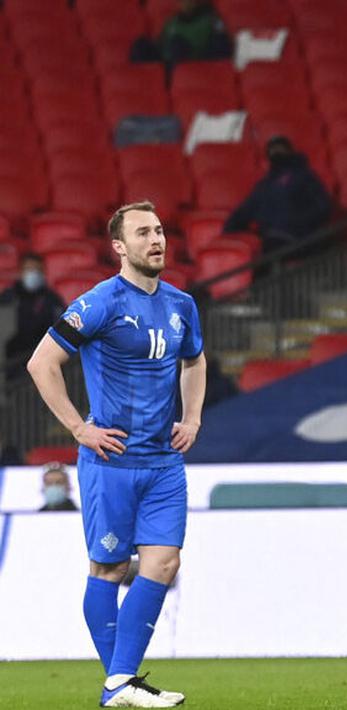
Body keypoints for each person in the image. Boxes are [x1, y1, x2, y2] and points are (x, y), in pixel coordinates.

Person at [26, 200, 207, 708]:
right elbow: (42, 363)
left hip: (164, 463)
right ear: (119, 247)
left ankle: (120, 683)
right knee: (107, 570)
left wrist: (192, 418)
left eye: (160, 230)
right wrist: (79, 428)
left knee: (164, 562)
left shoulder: (181, 305)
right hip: (112, 461)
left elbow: (195, 360)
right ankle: (121, 684)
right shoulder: (100, 302)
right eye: (143, 233)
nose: (157, 240)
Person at [222, 136, 333, 254]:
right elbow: (244, 212)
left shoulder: (305, 176)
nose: (275, 152)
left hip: (299, 238)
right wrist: (229, 231)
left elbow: (323, 206)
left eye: (279, 148)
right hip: (270, 241)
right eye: (272, 150)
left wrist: (300, 224)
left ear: (289, 151)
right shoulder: (264, 185)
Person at [1, 254, 66, 383]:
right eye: (29, 269)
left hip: (44, 365)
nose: (33, 274)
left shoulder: (52, 300)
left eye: (37, 270)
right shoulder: (7, 298)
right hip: (12, 367)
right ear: (20, 272)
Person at [131, 0, 232, 67]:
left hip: (194, 61)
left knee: (177, 45)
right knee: (141, 45)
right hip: (166, 60)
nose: (184, 3)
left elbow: (219, 44)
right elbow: (160, 43)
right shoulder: (173, 21)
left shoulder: (210, 18)